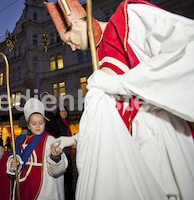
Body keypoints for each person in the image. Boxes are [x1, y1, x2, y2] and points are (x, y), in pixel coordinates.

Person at [45, 0, 194, 199]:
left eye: (69, 40)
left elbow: (185, 45)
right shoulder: (99, 59)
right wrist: (72, 139)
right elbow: (111, 119)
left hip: (164, 139)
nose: (71, 48)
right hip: (131, 153)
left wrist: (124, 83)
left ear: (79, 23)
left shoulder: (127, 17)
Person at [7, 98, 68, 199]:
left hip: (46, 190)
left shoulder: (50, 140)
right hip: (24, 186)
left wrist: (55, 158)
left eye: (41, 123)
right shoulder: (22, 141)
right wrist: (13, 164)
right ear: (29, 126)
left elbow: (57, 170)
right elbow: (16, 162)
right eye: (34, 124)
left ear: (45, 123)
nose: (38, 126)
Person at [55, 106, 75, 200]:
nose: (64, 112)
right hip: (62, 151)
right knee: (67, 176)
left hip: (67, 151)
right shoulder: (58, 122)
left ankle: (68, 195)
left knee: (68, 176)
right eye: (61, 111)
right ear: (58, 112)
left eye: (65, 111)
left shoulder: (66, 123)